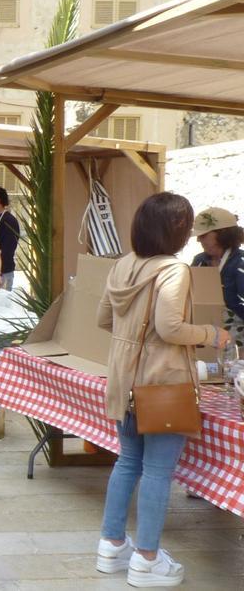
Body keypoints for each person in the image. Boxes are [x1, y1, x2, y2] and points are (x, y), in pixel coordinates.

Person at [95, 192, 231, 587]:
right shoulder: (174, 270)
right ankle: (147, 559)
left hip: (124, 379)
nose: (191, 233)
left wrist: (131, 343)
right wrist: (211, 334)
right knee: (157, 471)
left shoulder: (123, 265)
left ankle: (111, 545)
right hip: (163, 381)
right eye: (187, 225)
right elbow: (170, 328)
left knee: (126, 462)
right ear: (175, 229)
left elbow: (104, 317)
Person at [191, 206, 244, 347]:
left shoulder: (241, 263)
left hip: (238, 339)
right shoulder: (199, 261)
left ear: (222, 234)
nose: (198, 240)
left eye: (203, 235)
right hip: (204, 334)